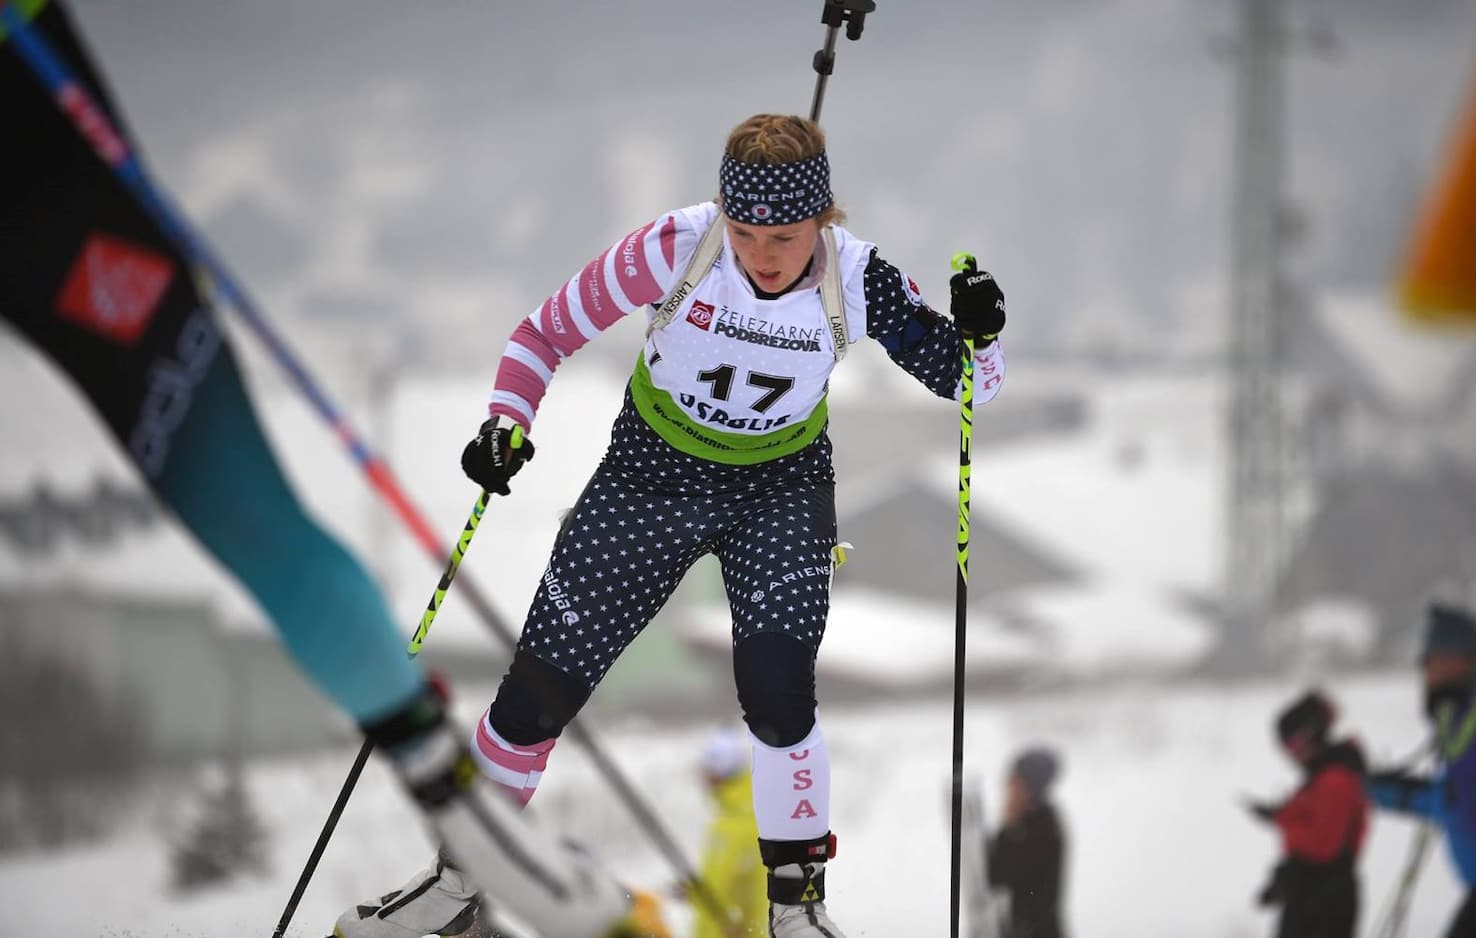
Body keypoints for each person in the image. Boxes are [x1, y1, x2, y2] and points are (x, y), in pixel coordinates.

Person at [0, 4, 661, 937]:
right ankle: (478, 840)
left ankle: (474, 848)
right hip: (42, 155)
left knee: (239, 500)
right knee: (244, 505)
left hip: (39, 162)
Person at [345, 112, 1009, 938]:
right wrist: (504, 424)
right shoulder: (673, 248)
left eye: (785, 235)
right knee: (536, 691)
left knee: (777, 690)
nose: (761, 255)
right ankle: (458, 887)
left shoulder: (859, 276)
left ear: (824, 219)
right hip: (650, 477)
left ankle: (798, 911)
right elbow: (542, 333)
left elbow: (968, 382)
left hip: (779, 485)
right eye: (745, 231)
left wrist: (983, 334)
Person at [1366, 602, 1476, 938]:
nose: (1427, 671)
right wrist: (1399, 794)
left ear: (1463, 657)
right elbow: (1459, 799)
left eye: (1435, 661)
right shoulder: (1457, 710)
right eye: (1425, 662)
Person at [1248, 691, 1369, 938]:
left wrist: (1281, 819)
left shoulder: (1336, 778)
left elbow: (1323, 845)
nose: (1291, 755)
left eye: (1294, 744)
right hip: (1309, 892)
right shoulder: (1319, 775)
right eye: (1285, 748)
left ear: (1312, 734)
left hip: (1328, 900)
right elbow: (1308, 820)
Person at [686, 728, 767, 938]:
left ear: (720, 772)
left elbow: (728, 892)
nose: (701, 777)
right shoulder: (748, 813)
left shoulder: (736, 825)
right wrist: (695, 893)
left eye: (706, 770)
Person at [985, 747, 1067, 938]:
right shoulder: (1026, 823)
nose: (1008, 786)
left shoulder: (1041, 828)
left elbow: (998, 876)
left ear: (1030, 788)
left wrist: (1008, 827)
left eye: (1015, 781)